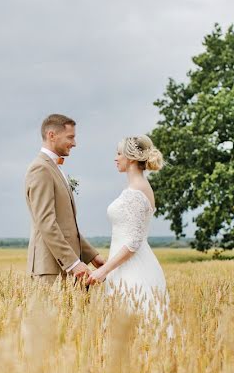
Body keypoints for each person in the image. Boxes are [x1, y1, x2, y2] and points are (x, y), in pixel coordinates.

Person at [89, 135, 168, 313]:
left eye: (119, 154)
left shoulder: (138, 190)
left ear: (131, 157)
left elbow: (133, 242)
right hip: (121, 267)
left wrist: (103, 271)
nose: (115, 158)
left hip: (133, 269)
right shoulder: (136, 188)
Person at [24, 114, 106, 285]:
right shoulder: (41, 169)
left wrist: (93, 256)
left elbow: (66, 226)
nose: (74, 143)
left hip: (65, 271)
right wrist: (74, 263)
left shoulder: (53, 167)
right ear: (51, 135)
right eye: (71, 137)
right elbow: (46, 223)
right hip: (50, 271)